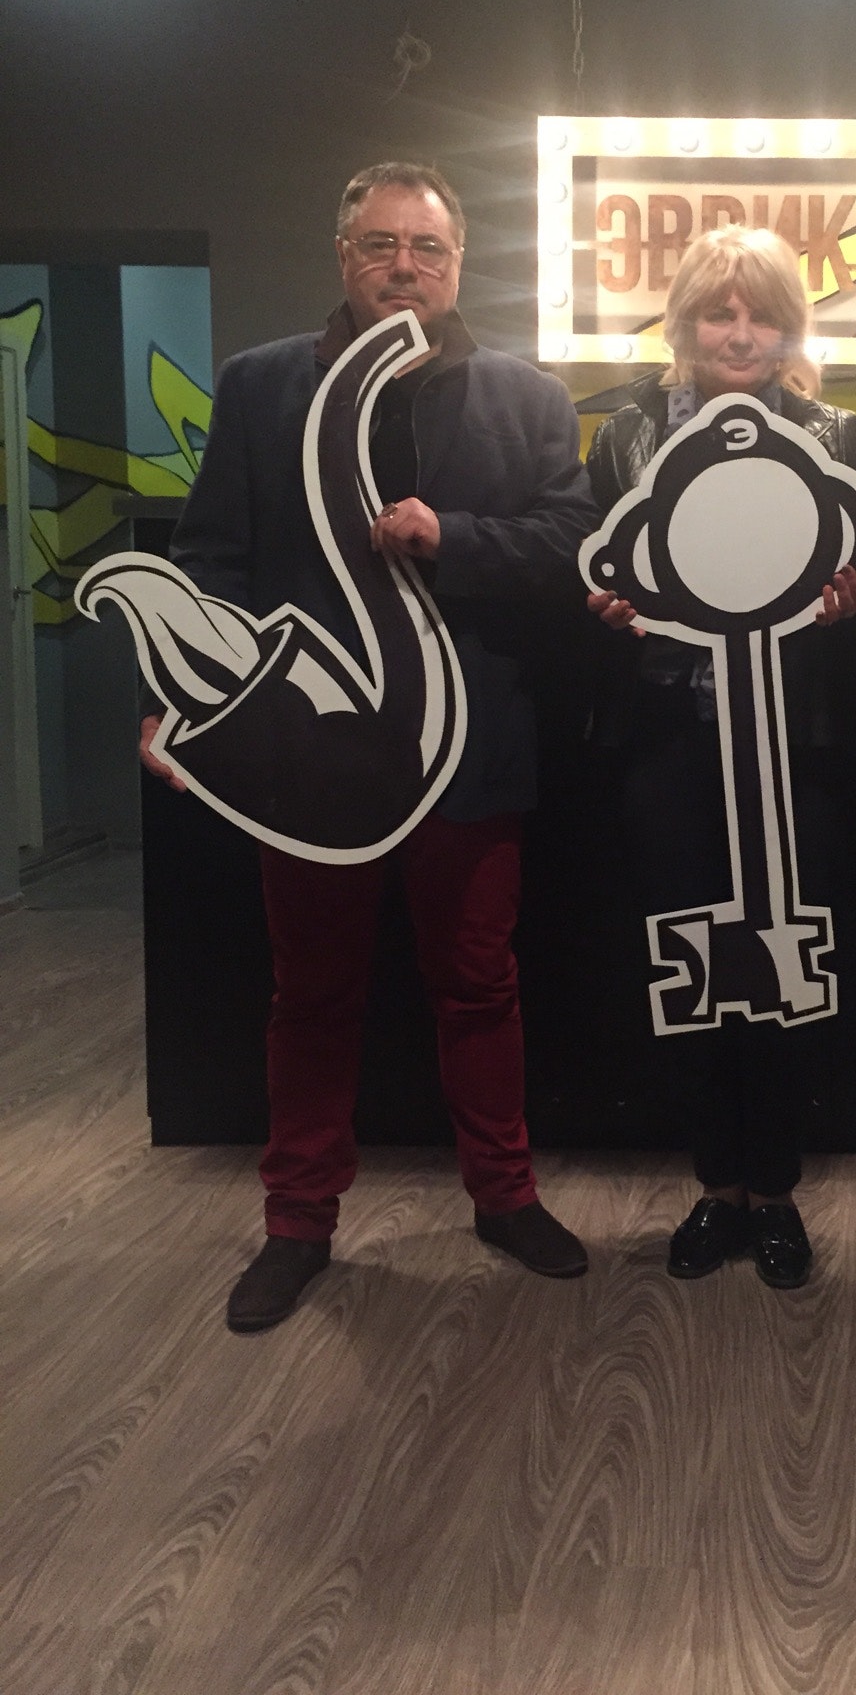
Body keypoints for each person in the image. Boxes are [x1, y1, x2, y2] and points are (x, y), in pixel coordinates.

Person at [141, 161, 597, 1332]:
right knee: (311, 992)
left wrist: (457, 536)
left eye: (427, 248)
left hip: (472, 749)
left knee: (480, 985)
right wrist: (176, 695)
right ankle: (298, 1223)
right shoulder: (259, 385)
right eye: (381, 245)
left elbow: (571, 546)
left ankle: (504, 1198)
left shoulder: (529, 398)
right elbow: (212, 560)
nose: (405, 266)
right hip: (304, 756)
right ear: (344, 257)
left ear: (458, 263)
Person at [585, 226, 856, 1290]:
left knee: (787, 965)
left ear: (791, 328)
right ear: (684, 321)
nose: (741, 334)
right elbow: (597, 574)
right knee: (692, 964)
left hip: (797, 746)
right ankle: (717, 1185)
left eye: (763, 314)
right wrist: (606, 611)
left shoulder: (840, 435)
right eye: (720, 311)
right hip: (672, 741)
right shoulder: (626, 435)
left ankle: (776, 1190)